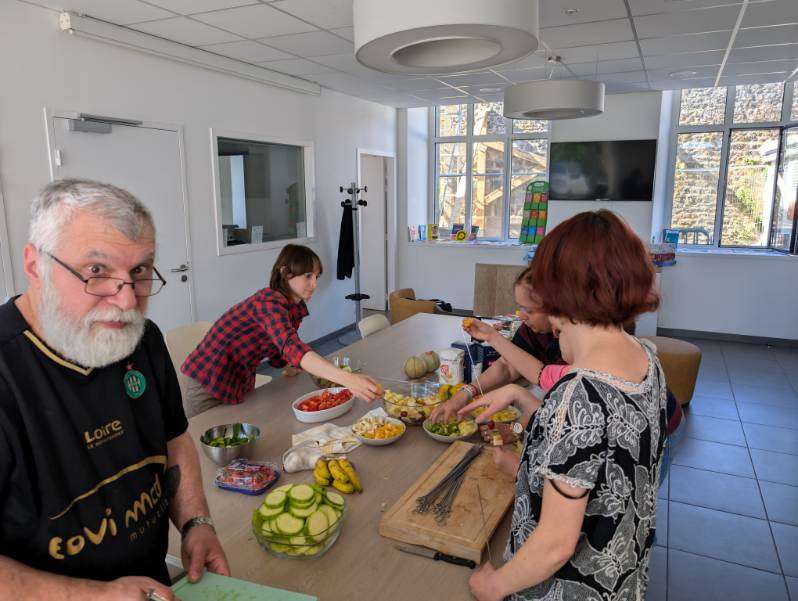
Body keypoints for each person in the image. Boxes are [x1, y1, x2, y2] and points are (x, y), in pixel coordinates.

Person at [0, 179, 228, 601]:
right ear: (35, 266)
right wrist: (93, 596)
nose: (126, 302)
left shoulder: (144, 339)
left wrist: (197, 525)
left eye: (140, 271)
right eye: (97, 271)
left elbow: (174, 438)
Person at [463, 210, 667, 601]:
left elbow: (556, 544)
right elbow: (601, 453)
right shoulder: (645, 359)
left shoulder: (577, 395)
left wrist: (493, 585)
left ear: (562, 292)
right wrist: (522, 397)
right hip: (620, 575)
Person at [181, 244, 381, 416]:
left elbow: (281, 349)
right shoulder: (269, 302)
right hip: (208, 382)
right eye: (308, 276)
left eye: (317, 277)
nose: (314, 284)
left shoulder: (294, 307)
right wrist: (348, 379)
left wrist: (290, 365)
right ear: (286, 273)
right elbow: (291, 346)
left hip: (239, 381)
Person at [429, 267, 565, 428]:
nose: (521, 316)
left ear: (556, 306)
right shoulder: (532, 330)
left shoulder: (571, 345)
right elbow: (509, 365)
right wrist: (465, 393)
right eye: (520, 307)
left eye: (529, 310)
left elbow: (558, 402)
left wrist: (517, 429)